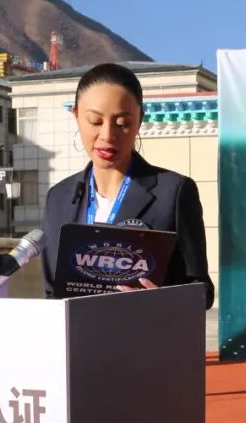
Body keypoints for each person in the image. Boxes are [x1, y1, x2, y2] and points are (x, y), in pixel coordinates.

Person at [40, 63, 215, 309]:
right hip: (78, 333)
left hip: (145, 332)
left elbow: (201, 292)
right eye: (95, 121)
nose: (107, 135)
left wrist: (162, 301)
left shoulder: (173, 192)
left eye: (122, 123)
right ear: (76, 115)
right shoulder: (58, 197)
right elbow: (51, 292)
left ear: (140, 120)